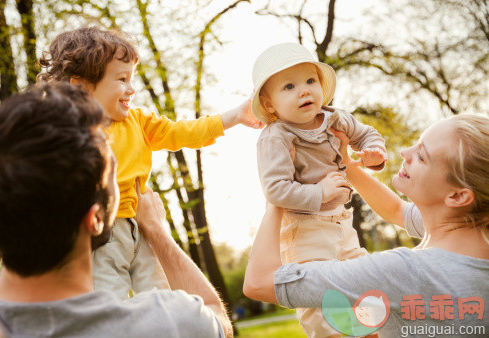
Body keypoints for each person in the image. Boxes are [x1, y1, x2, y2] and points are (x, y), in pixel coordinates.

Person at [0, 83, 232, 337]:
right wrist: (157, 230)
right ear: (96, 219)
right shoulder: (166, 322)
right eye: (114, 173)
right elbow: (217, 317)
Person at [38, 26, 264, 300]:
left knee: (164, 299)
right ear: (83, 87)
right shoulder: (68, 132)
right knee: (110, 303)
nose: (131, 89)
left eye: (131, 79)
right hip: (101, 237)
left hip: (144, 227)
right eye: (122, 79)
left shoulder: (139, 121)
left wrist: (237, 115)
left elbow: (182, 132)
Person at [244, 114, 489, 337]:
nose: (405, 151)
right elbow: (397, 211)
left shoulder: (404, 273)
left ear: (458, 196)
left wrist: (278, 195)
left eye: (422, 156)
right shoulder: (472, 233)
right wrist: (347, 166)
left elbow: (259, 283)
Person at [250, 42, 387, 337]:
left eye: (311, 81)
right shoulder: (276, 137)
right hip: (305, 229)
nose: (304, 91)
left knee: (367, 287)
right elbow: (275, 190)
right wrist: (320, 192)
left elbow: (366, 134)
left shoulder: (335, 118)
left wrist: (374, 152)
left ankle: (373, 332)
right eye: (289, 86)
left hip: (341, 221)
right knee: (323, 302)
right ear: (269, 103)